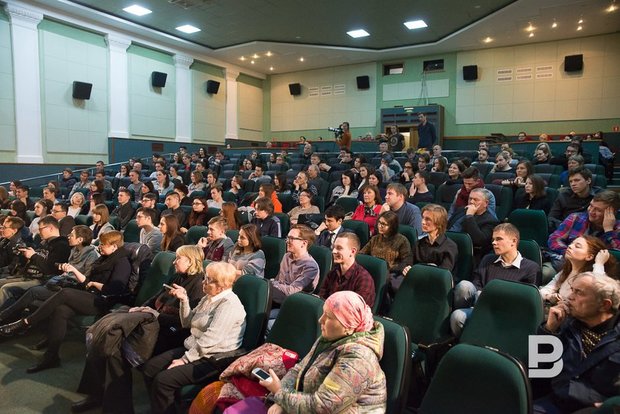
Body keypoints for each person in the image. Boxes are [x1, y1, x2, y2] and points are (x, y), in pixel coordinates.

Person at [69, 245, 206, 414]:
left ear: (190, 261)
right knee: (103, 338)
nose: (174, 262)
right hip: (151, 324)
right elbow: (156, 297)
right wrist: (140, 308)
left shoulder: (199, 285)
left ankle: (116, 408)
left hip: (170, 333)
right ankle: (97, 395)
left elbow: (186, 322)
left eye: (178, 258)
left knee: (114, 350)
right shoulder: (178, 276)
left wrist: (157, 316)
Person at [0, 230, 130, 373]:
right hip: (89, 295)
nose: (100, 246)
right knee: (60, 310)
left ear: (114, 246)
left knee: (65, 293)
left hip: (103, 301)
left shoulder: (122, 262)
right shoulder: (104, 259)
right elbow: (86, 282)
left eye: (103, 244)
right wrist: (74, 271)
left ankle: (26, 322)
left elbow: (115, 289)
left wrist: (94, 284)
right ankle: (51, 357)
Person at [141, 262, 246, 414]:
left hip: (213, 358)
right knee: (149, 369)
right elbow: (187, 322)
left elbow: (211, 339)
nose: (203, 282)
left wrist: (184, 360)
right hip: (195, 349)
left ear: (221, 286)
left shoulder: (230, 305)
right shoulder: (208, 298)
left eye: (208, 280)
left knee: (163, 381)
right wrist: (184, 300)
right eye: (205, 278)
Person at [260, 291, 387, 412]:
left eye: (329, 317)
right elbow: (299, 369)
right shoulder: (330, 338)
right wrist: (279, 402)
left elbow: (323, 406)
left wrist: (280, 394)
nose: (320, 320)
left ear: (349, 327)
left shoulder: (359, 359)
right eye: (323, 313)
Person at [533, 273, 620, 414]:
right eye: (572, 290)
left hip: (596, 409)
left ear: (605, 305)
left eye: (579, 293)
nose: (569, 297)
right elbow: (537, 369)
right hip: (555, 402)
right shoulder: (565, 322)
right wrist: (549, 329)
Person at [0, 225, 98, 329]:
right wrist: (64, 271)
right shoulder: (74, 250)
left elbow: (86, 279)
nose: (68, 236)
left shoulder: (91, 255)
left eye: (72, 235)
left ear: (80, 240)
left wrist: (71, 271)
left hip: (74, 289)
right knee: (24, 292)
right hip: (62, 283)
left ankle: (6, 318)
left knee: (33, 291)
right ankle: (8, 321)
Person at [449, 223, 539, 336]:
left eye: (499, 239)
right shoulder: (488, 259)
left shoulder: (531, 268)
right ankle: (463, 340)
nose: (494, 243)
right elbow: (476, 283)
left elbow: (526, 303)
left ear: (513, 241)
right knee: (463, 289)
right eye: (493, 239)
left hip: (506, 313)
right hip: (481, 305)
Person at [0, 215, 71, 310]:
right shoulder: (44, 243)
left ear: (50, 228)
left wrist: (33, 256)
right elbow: (34, 261)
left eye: (41, 229)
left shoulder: (61, 245)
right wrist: (25, 255)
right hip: (28, 276)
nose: (38, 232)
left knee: (6, 289)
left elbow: (50, 269)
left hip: (42, 280)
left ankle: (4, 316)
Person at [547, 190, 620, 268]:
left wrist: (609, 231)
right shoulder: (575, 218)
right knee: (547, 272)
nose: (591, 211)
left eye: (598, 210)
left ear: (612, 213)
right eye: (591, 206)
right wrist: (569, 253)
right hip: (567, 262)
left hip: (598, 268)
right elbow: (554, 239)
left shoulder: (617, 228)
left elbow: (616, 255)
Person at [540, 236, 618, 306]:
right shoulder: (566, 271)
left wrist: (599, 263)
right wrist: (550, 297)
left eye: (577, 246)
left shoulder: (591, 277)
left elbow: (597, 290)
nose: (570, 246)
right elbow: (543, 292)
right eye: (571, 243)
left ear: (589, 257)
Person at [319, 233, 375, 306]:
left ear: (352, 251)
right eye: (334, 247)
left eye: (339, 248)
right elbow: (321, 299)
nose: (334, 251)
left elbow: (356, 310)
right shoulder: (332, 273)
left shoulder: (364, 279)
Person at [269, 225, 320, 306]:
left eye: (291, 238)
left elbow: (292, 291)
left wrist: (272, 284)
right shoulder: (286, 256)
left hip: (294, 303)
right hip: (277, 296)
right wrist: (272, 284)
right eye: (287, 238)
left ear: (304, 243)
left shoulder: (310, 267)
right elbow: (279, 279)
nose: (287, 241)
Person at [402, 203, 457, 276]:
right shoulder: (419, 243)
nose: (422, 222)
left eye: (428, 219)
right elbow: (407, 262)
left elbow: (444, 274)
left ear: (439, 223)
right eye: (423, 218)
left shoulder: (450, 246)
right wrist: (406, 268)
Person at [548, 167, 599, 231]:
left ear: (588, 181)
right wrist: (566, 226)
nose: (573, 184)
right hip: (567, 231)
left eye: (577, 180)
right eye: (570, 181)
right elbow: (552, 218)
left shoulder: (599, 195)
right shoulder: (564, 195)